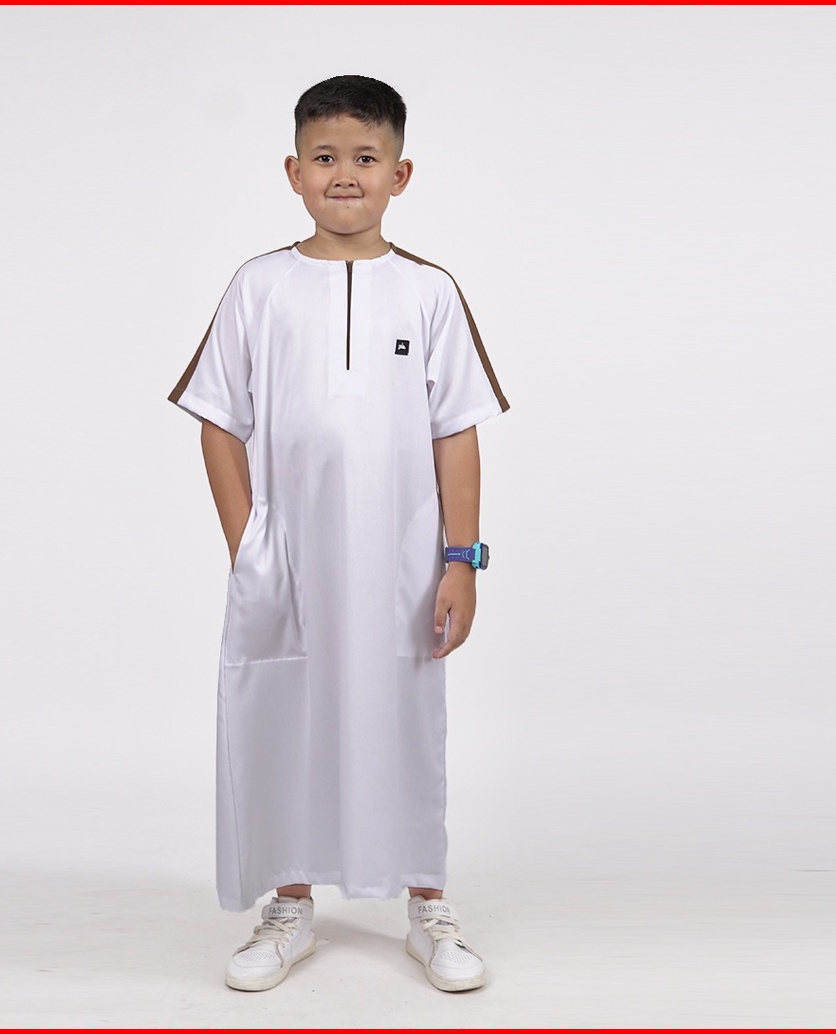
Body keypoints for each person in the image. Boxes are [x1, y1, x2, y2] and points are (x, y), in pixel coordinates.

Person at [168, 75, 510, 993]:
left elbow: (457, 431)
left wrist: (461, 560)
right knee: (286, 714)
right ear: (294, 171)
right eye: (325, 158)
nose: (345, 175)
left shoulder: (428, 293)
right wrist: (249, 542)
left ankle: (428, 904)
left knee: (408, 719)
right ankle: (290, 905)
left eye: (365, 157)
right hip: (290, 559)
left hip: (403, 560)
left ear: (401, 173)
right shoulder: (260, 286)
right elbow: (217, 420)